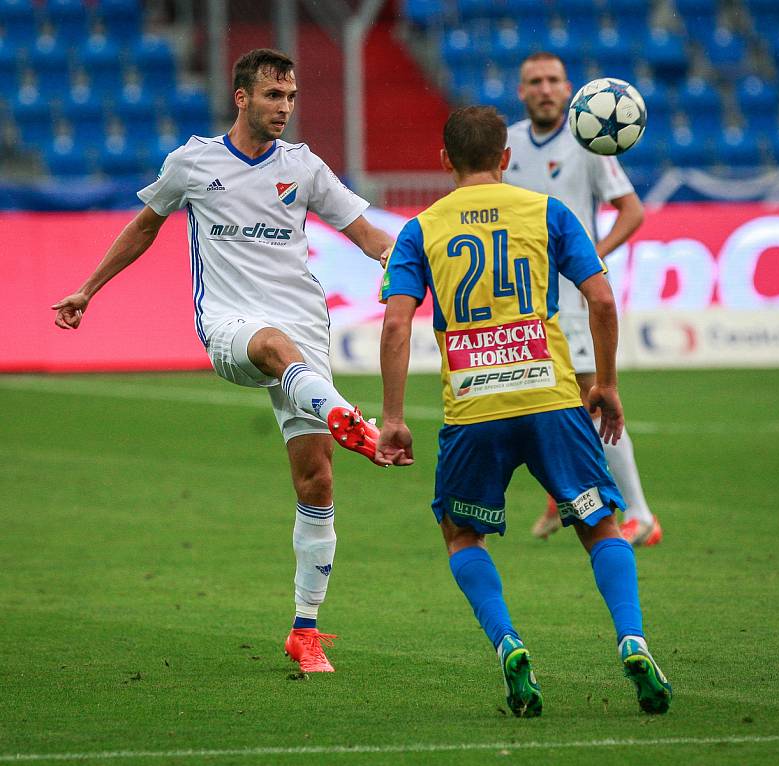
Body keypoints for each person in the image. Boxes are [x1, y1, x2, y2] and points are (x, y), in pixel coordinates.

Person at [51, 48, 394, 674]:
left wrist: (411, 267)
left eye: (289, 97)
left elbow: (367, 233)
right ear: (242, 97)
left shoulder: (304, 167)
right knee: (272, 346)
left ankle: (305, 629)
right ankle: (352, 419)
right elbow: (143, 228)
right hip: (231, 324)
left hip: (303, 323)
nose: (283, 108)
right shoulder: (193, 162)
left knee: (316, 482)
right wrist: (87, 288)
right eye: (272, 96)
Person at [375, 106, 671, 717]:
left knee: (461, 534)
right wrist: (608, 383)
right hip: (553, 399)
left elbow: (397, 322)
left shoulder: (421, 229)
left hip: (473, 408)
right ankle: (634, 641)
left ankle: (509, 642)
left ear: (444, 161)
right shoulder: (547, 212)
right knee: (600, 526)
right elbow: (602, 299)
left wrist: (394, 416)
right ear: (506, 158)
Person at [505, 51, 661, 546]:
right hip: (521, 299)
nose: (545, 89)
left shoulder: (589, 138)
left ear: (567, 87)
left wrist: (592, 255)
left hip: (571, 299)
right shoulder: (506, 145)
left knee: (594, 402)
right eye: (535, 81)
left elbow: (631, 210)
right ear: (522, 91)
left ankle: (640, 514)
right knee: (535, 402)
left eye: (553, 80)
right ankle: (563, 491)